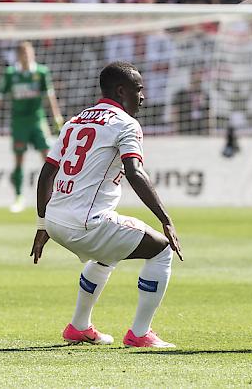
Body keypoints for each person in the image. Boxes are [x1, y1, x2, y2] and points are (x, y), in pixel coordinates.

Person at [30, 61, 184, 348]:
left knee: (108, 253)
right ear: (121, 90)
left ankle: (79, 327)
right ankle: (140, 334)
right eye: (138, 90)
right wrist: (166, 220)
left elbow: (47, 172)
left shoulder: (75, 120)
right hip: (87, 223)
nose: (142, 96)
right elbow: (135, 173)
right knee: (161, 249)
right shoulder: (126, 124)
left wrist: (42, 224)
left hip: (56, 220)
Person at [0, 41, 64, 213]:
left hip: (37, 120)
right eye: (23, 54)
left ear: (33, 55)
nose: (26, 57)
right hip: (19, 123)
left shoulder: (41, 72)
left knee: (49, 157)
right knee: (19, 160)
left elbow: (49, 97)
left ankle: (56, 195)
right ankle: (18, 196)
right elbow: (0, 96)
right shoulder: (10, 74)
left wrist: (57, 117)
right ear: (18, 56)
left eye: (29, 54)